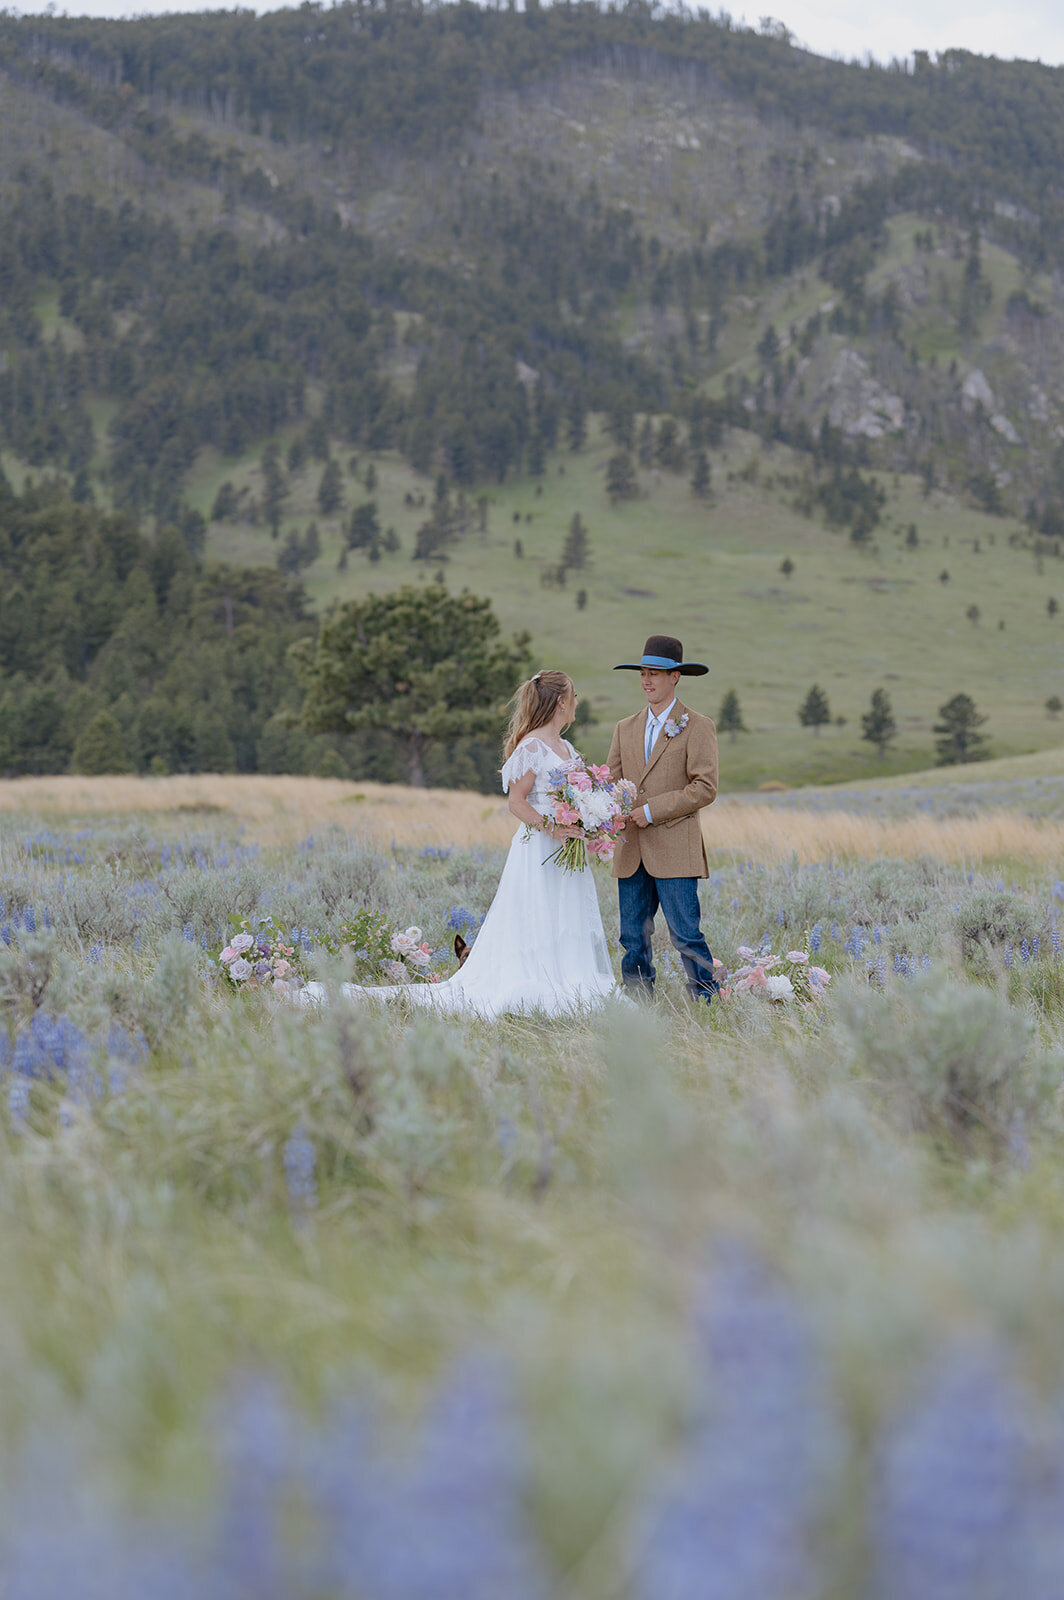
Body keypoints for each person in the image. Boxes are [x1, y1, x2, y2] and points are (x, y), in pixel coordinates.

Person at [303, 670, 619, 1019]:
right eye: (573, 696)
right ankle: (539, 981)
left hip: (564, 850)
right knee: (537, 911)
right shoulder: (532, 746)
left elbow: (571, 795)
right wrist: (553, 827)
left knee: (565, 913)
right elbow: (517, 802)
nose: (576, 703)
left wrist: (586, 818)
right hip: (540, 847)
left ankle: (570, 980)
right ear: (561, 702)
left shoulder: (567, 747)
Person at [607, 634, 719, 1003]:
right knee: (631, 938)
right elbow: (612, 782)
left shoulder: (698, 725)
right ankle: (639, 1006)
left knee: (686, 934)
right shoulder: (624, 727)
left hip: (675, 849)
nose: (647, 680)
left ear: (676, 677)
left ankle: (706, 1002)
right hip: (631, 850)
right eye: (643, 672)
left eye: (656, 673)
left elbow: (705, 788)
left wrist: (652, 811)